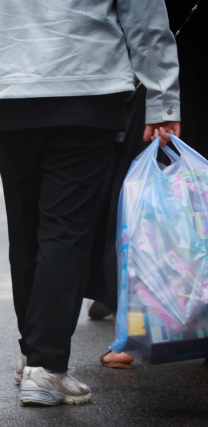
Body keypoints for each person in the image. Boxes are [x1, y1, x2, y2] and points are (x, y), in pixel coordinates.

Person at [0, 0, 181, 406]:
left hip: (5, 82)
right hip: (84, 81)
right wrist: (164, 98)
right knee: (66, 228)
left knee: (26, 228)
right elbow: (143, 16)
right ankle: (46, 367)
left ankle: (33, 356)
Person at [92, 0, 206, 369]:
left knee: (144, 204)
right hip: (178, 69)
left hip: (174, 69)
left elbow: (146, 21)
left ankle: (132, 321)